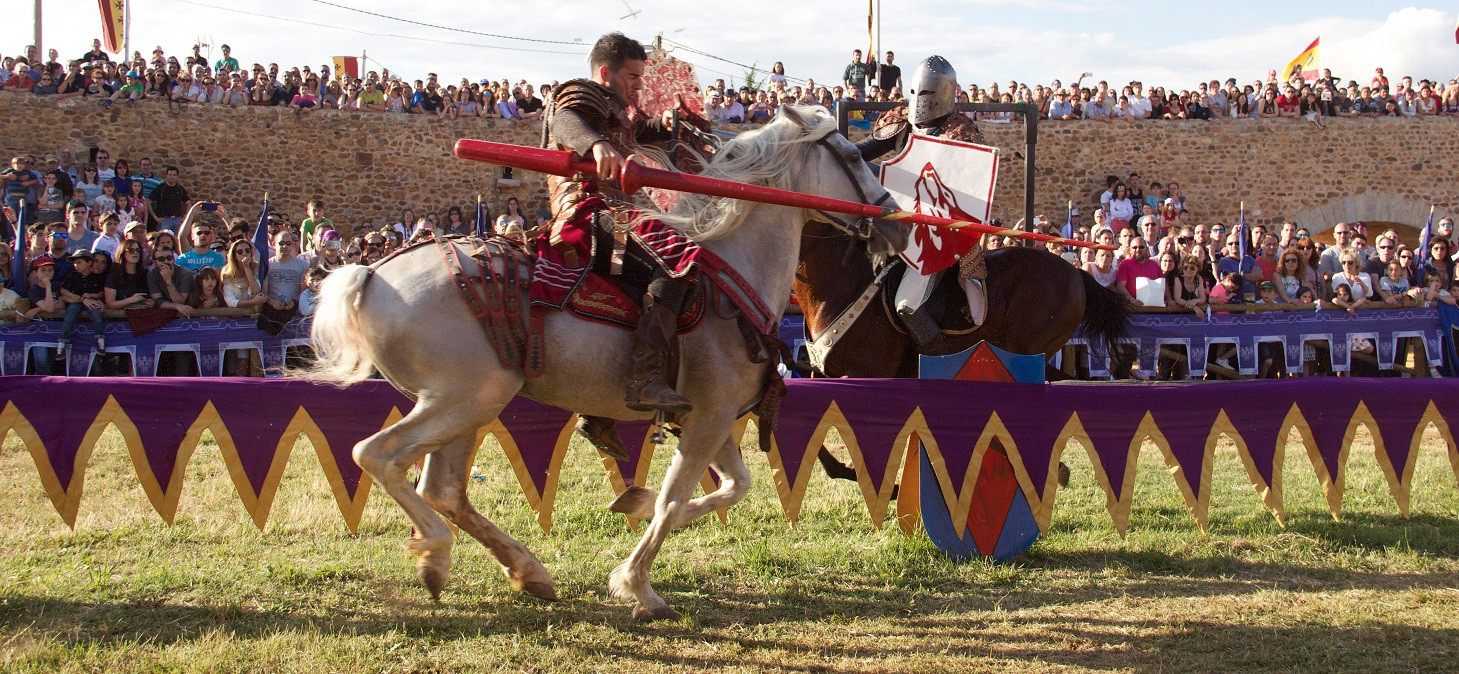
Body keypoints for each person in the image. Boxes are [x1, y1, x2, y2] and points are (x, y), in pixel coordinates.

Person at [540, 32, 699, 414]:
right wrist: (593, 145)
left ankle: (598, 412)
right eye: (632, 77)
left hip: (608, 213)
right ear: (605, 72)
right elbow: (565, 121)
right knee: (677, 255)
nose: (638, 86)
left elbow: (628, 136)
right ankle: (646, 380)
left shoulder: (611, 113)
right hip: (588, 210)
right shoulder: (584, 92)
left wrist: (660, 126)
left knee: (638, 294)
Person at [855, 55, 987, 345]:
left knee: (906, 305)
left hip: (937, 232)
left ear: (944, 93)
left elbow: (956, 189)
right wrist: (831, 152)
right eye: (917, 91)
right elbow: (858, 154)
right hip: (897, 223)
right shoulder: (901, 122)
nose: (920, 99)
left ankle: (939, 358)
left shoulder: (960, 133)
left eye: (928, 92)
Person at [58, 250, 108, 355]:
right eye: (75, 263)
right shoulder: (72, 275)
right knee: (70, 314)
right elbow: (63, 290)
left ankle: (101, 341)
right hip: (75, 301)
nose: (76, 265)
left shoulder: (97, 278)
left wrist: (91, 296)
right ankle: (62, 344)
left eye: (79, 262)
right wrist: (74, 296)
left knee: (96, 314)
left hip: (90, 301)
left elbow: (100, 293)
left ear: (89, 263)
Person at [1115, 237, 1162, 306]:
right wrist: (1131, 299)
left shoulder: (1154, 264)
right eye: (1134, 247)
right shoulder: (1124, 264)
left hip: (1154, 306)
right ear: (1130, 249)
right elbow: (1120, 287)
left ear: (1146, 249)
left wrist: (1169, 299)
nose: (1138, 249)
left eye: (1141, 247)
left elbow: (1163, 283)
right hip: (1133, 308)